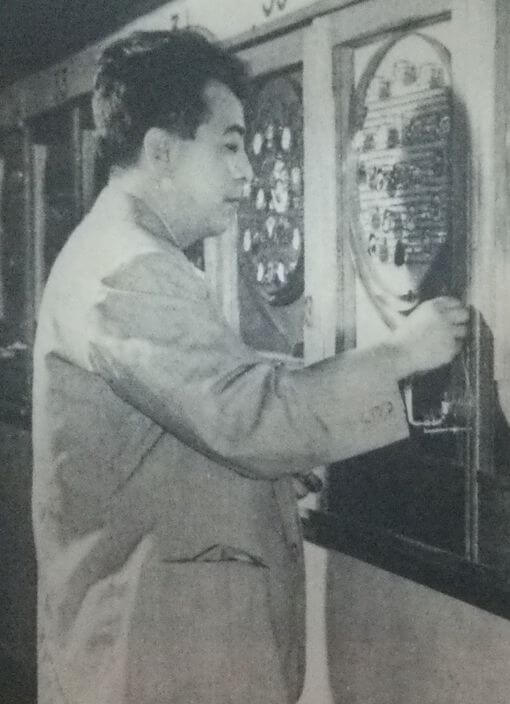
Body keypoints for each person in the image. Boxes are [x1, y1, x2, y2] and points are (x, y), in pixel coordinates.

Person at [32, 29, 469, 704]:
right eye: (230, 146)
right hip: (154, 653)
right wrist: (403, 354)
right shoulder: (127, 270)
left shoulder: (125, 253)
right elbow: (245, 415)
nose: (249, 173)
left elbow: (183, 414)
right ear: (162, 152)